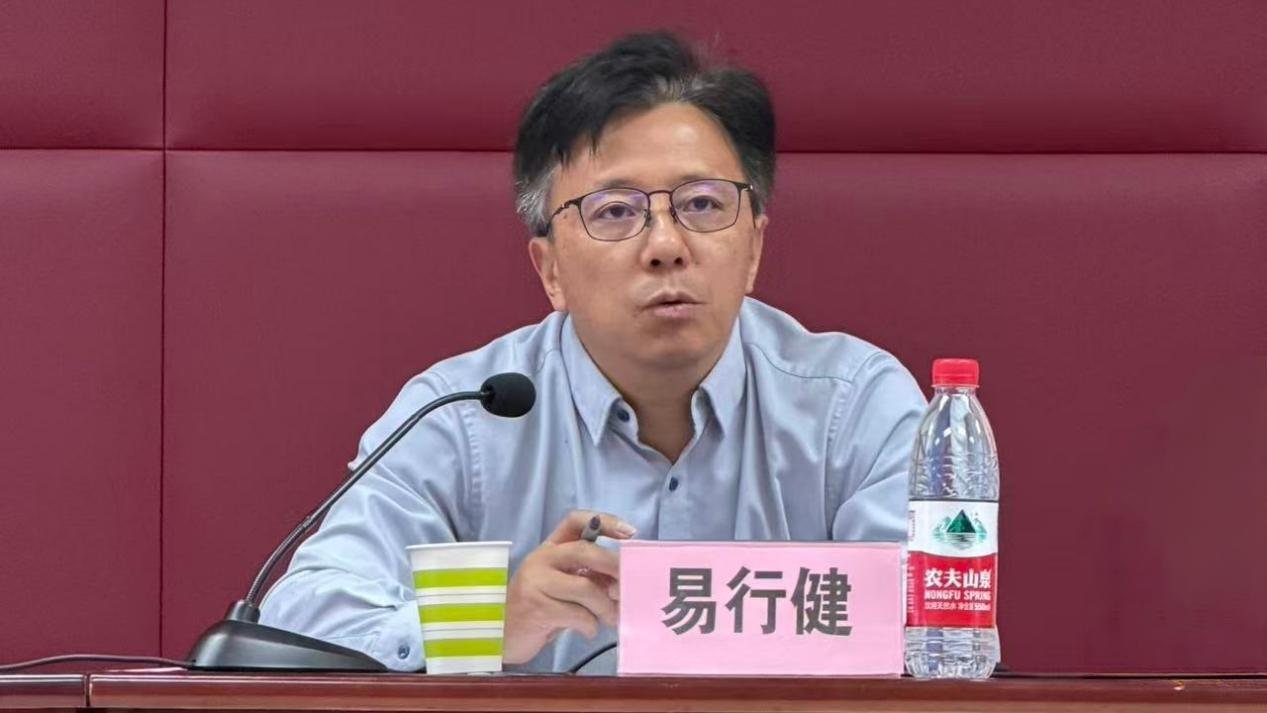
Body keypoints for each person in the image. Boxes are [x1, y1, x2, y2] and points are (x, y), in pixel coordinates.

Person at [260, 31, 925, 674]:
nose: (665, 245)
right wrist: (489, 623)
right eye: (614, 211)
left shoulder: (854, 405)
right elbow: (302, 619)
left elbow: (938, 626)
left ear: (753, 246)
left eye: (701, 203)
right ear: (549, 268)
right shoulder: (462, 416)